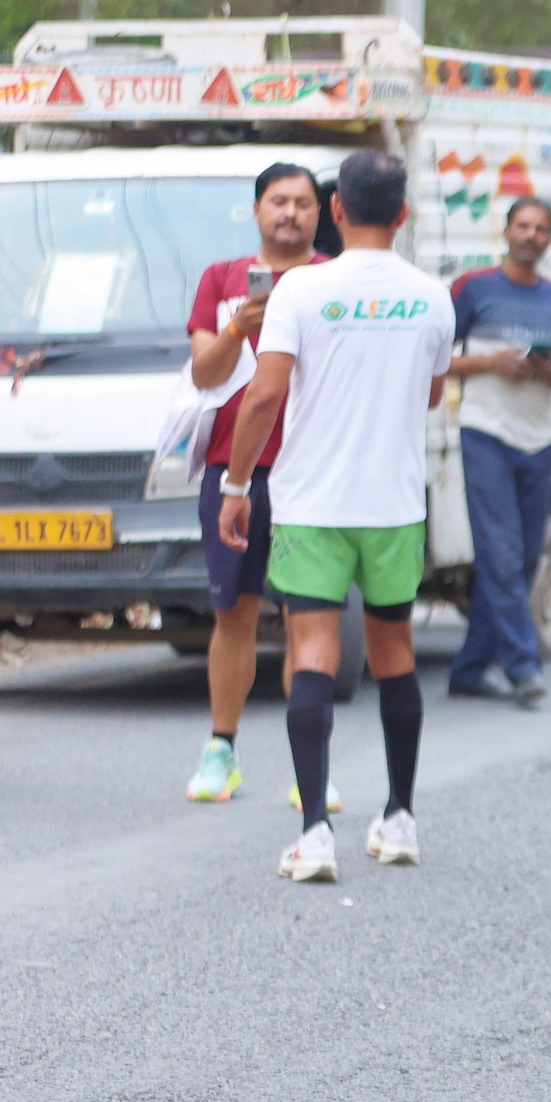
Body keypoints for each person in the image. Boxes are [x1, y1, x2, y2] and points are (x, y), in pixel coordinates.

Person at [218, 150, 455, 884]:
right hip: (393, 505)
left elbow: (264, 395)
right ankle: (400, 818)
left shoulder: (301, 289)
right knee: (395, 653)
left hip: (313, 504)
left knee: (313, 652)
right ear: (403, 214)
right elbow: (432, 393)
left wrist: (236, 484)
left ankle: (315, 834)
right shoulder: (433, 297)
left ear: (337, 210)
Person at [181, 163, 328, 804]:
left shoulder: (334, 281)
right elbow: (204, 375)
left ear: (321, 212)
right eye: (278, 201)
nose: (290, 212)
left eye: (302, 202)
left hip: (313, 471)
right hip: (231, 472)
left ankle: (311, 767)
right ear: (256, 210)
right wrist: (240, 325)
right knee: (232, 616)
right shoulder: (221, 279)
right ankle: (221, 750)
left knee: (307, 620)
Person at [447, 195, 551, 708]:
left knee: (523, 558)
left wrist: (546, 371)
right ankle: (524, 667)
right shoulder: (475, 289)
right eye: (523, 226)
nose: (531, 236)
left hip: (538, 440)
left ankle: (469, 669)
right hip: (485, 434)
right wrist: (491, 363)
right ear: (505, 232)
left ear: (550, 239)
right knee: (500, 554)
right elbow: (436, 360)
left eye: (541, 228)